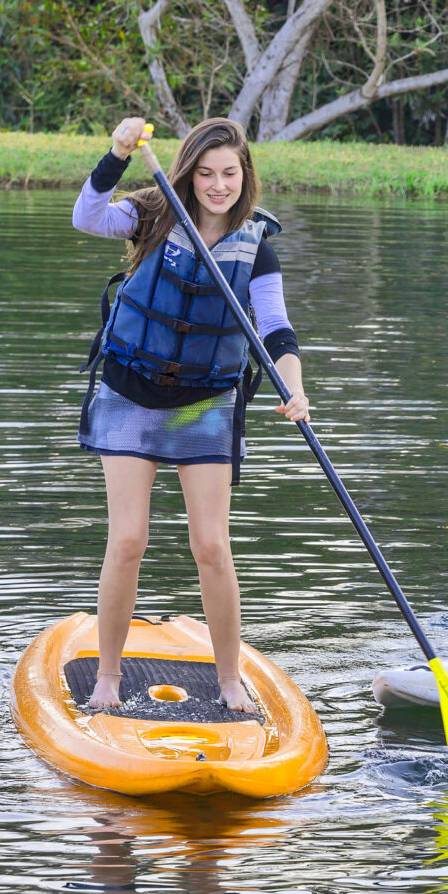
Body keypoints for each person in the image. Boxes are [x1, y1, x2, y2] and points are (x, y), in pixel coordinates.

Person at [70, 115, 309, 712]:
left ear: (244, 175)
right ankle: (106, 677)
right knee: (127, 540)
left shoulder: (259, 252)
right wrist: (117, 152)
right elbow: (88, 216)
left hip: (205, 404)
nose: (218, 185)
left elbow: (277, 331)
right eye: (206, 173)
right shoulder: (154, 215)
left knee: (212, 545)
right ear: (189, 173)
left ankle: (229, 680)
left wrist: (295, 388)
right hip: (131, 393)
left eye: (229, 173)